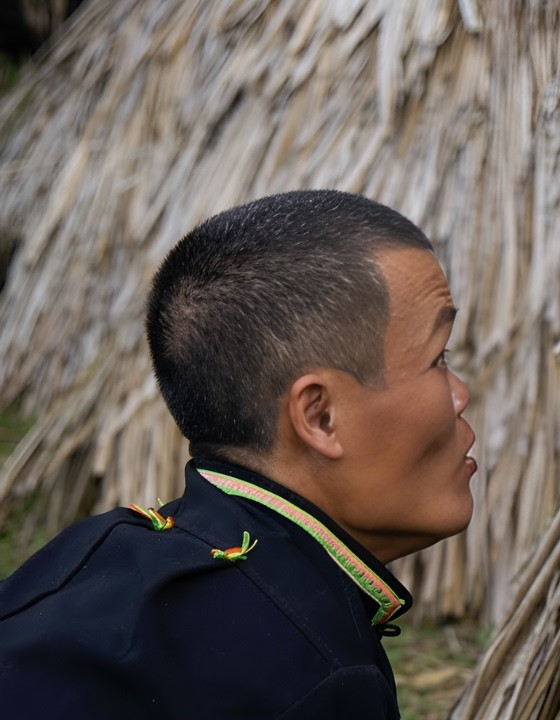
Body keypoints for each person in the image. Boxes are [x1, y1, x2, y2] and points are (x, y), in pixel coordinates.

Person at [0, 190, 476, 719]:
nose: (462, 395)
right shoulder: (317, 679)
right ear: (320, 417)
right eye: (439, 359)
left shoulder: (87, 554)